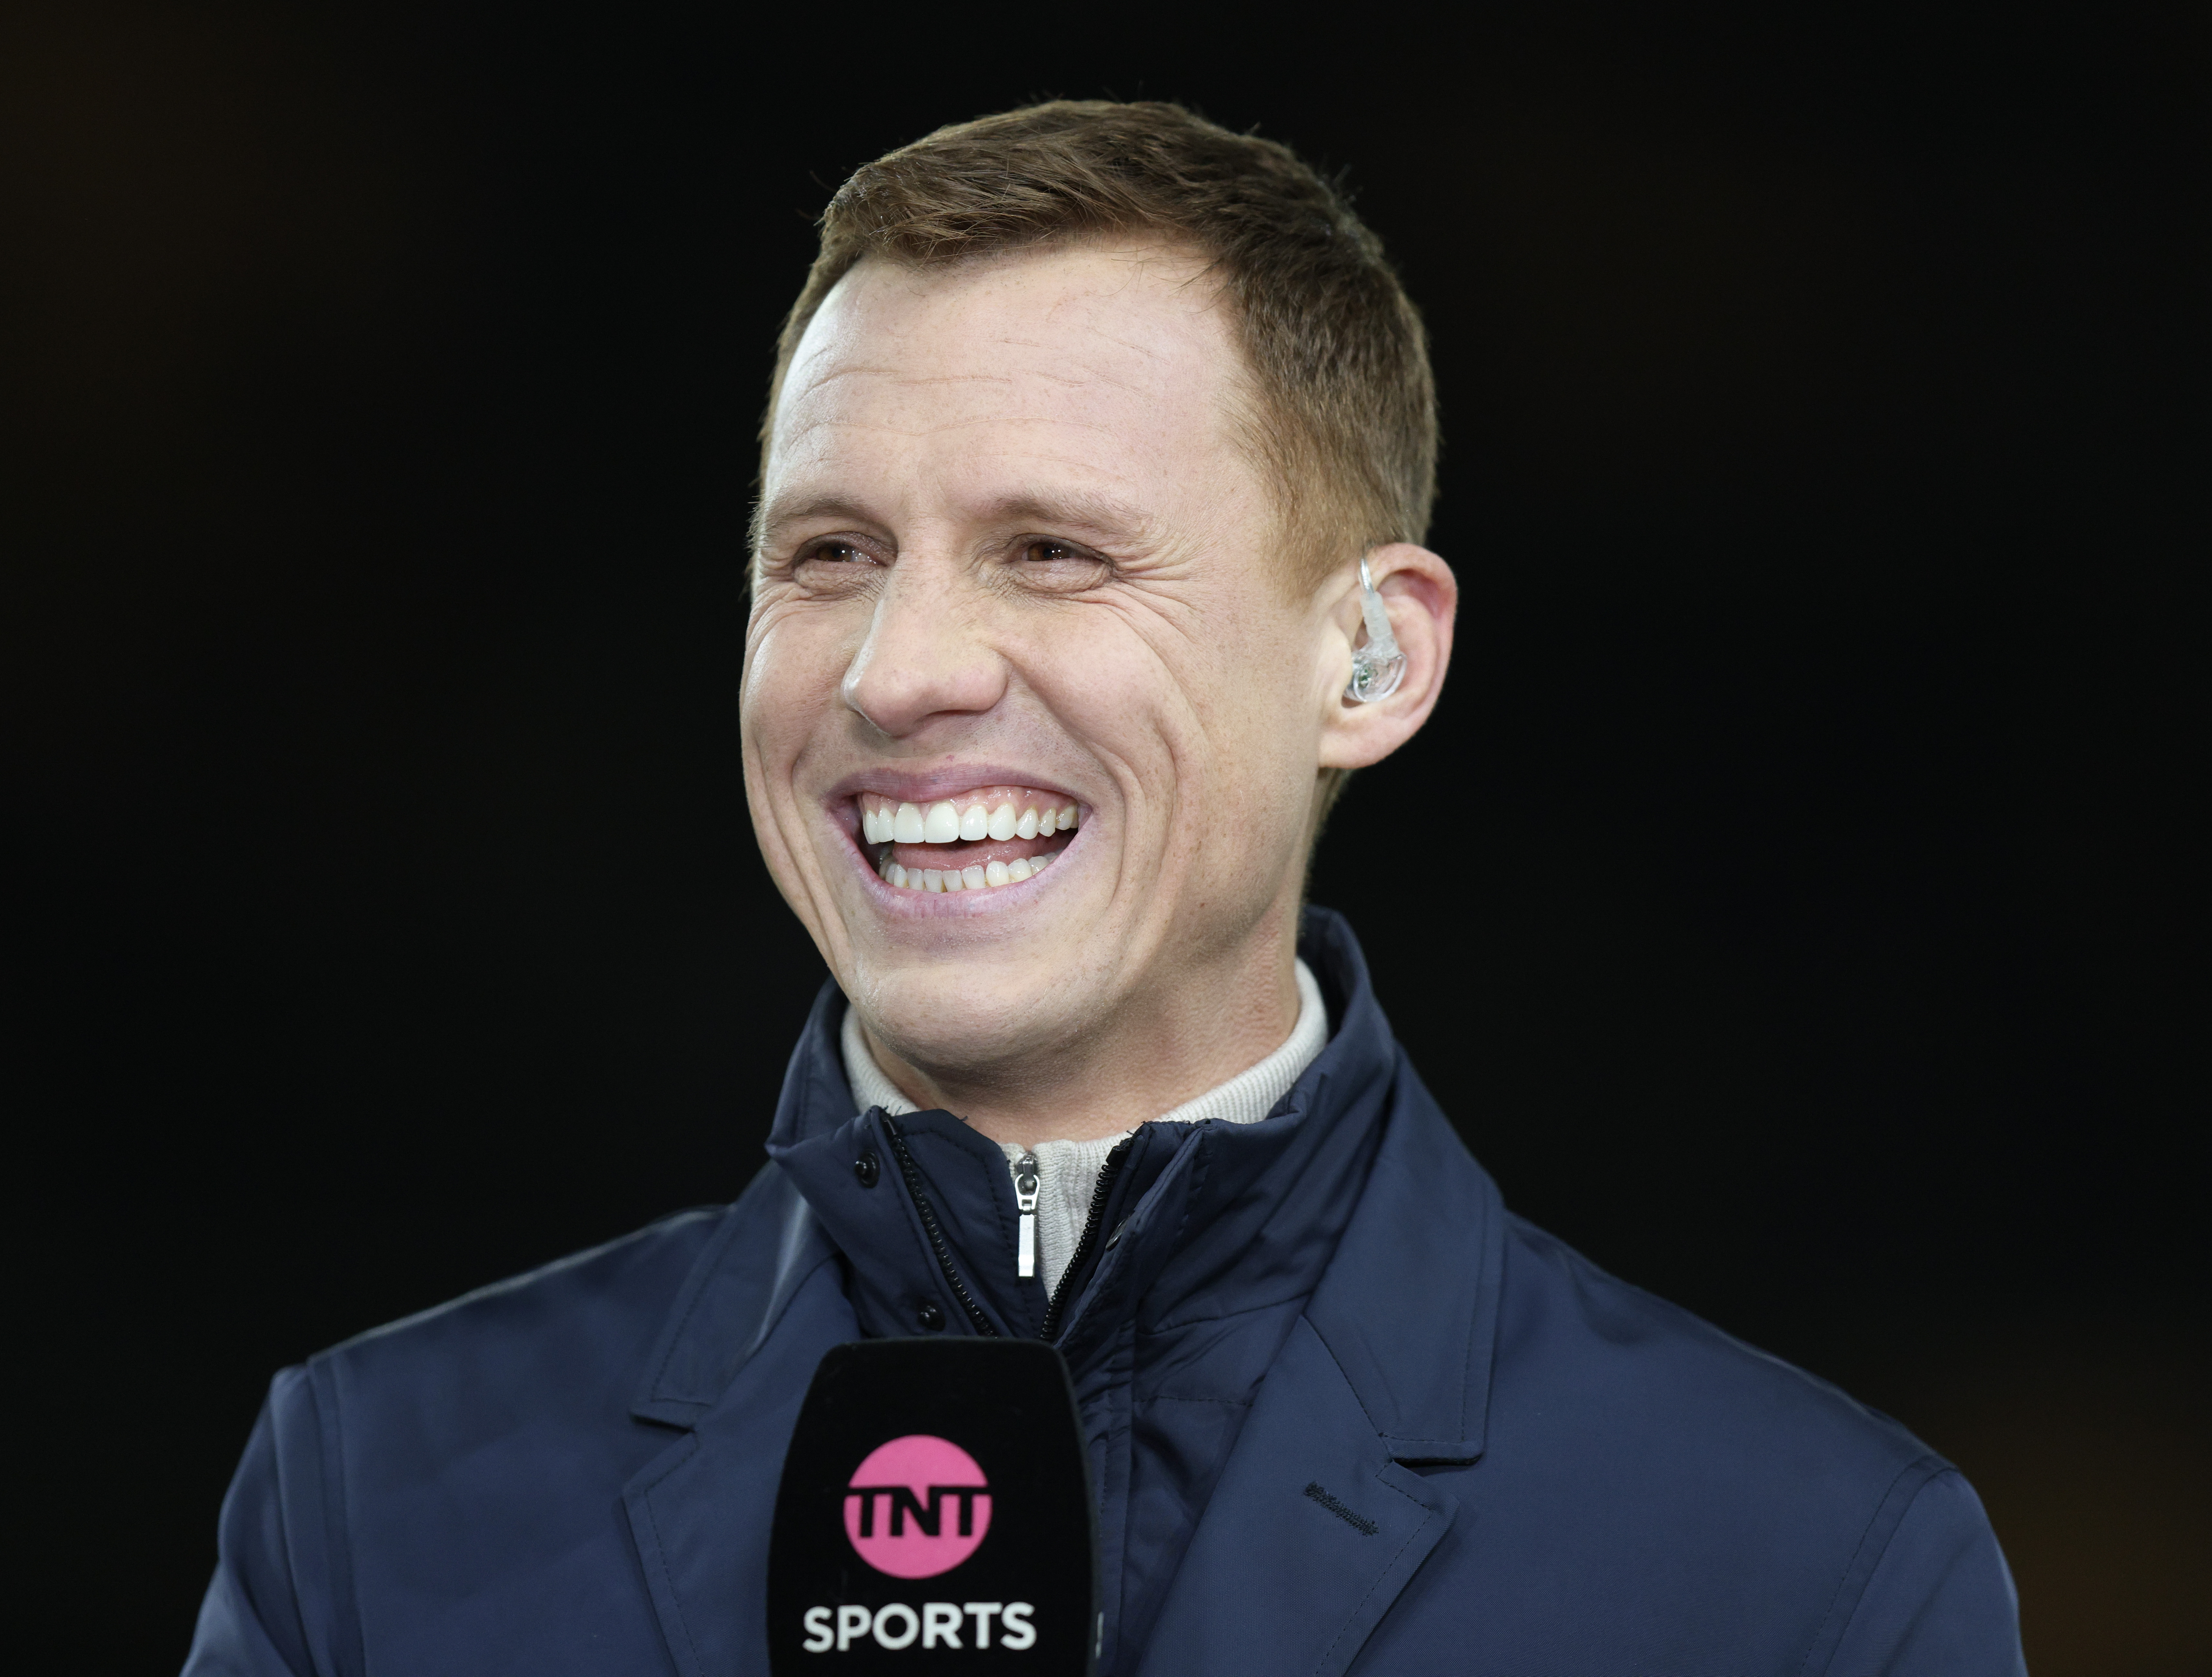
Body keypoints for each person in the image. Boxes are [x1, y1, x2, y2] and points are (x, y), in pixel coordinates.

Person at [181, 100, 2025, 1676]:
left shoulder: (1807, 1577)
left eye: (1051, 551)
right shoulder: (374, 1499)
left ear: (1370, 658)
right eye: (830, 551)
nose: (896, 671)